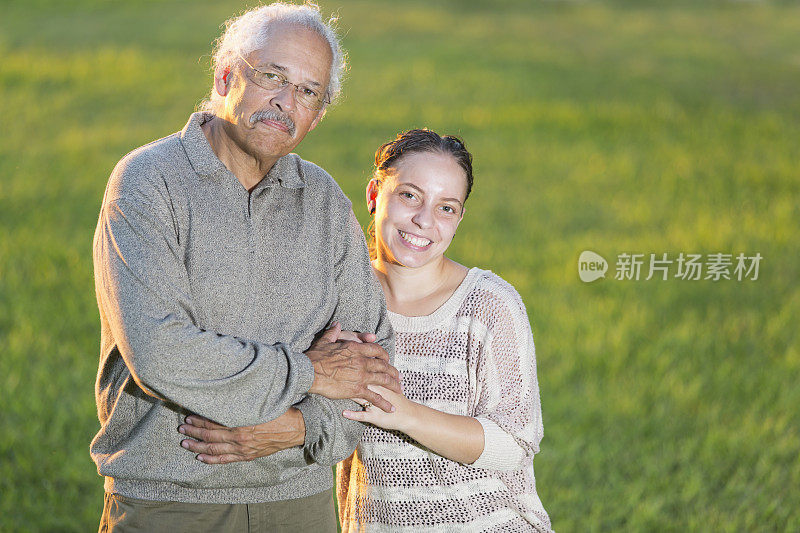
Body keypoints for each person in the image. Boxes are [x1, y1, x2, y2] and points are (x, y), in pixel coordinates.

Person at [91, 4, 399, 532]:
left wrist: (299, 428)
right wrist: (311, 373)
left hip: (300, 499)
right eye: (272, 77)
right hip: (172, 497)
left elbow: (374, 364)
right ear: (225, 76)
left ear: (318, 114)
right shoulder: (147, 183)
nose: (285, 101)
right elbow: (160, 351)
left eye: (307, 92)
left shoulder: (323, 199)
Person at [190, 129, 553, 531]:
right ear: (374, 195)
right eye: (410, 195)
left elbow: (512, 447)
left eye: (446, 207)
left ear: (459, 219)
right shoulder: (335, 300)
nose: (424, 220)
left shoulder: (489, 305)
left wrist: (403, 413)